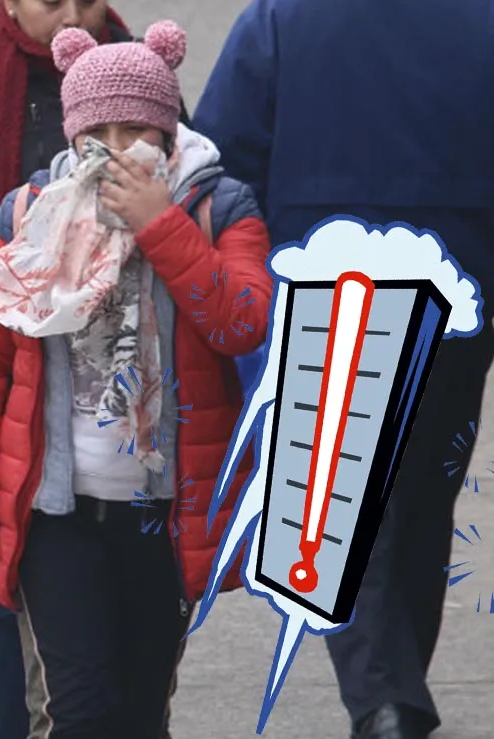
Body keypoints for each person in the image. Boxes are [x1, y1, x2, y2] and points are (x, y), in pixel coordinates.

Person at [0, 23, 272, 739]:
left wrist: (163, 227)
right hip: (56, 511)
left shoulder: (220, 207)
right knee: (79, 712)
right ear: (71, 137)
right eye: (99, 132)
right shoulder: (29, 213)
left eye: (138, 130)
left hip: (165, 512)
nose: (118, 150)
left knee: (138, 711)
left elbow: (241, 322)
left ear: (167, 128)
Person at [0, 1, 193, 735]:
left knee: (127, 692)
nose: (70, 14)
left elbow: (224, 300)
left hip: (138, 462)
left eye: (82, 0)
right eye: (51, 0)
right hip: (14, 401)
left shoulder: (144, 80)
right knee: (17, 612)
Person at [192, 2, 494, 737]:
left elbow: (220, 156)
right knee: (421, 499)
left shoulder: (280, 17)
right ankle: (396, 689)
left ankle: (383, 698)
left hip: (320, 282)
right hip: (458, 287)